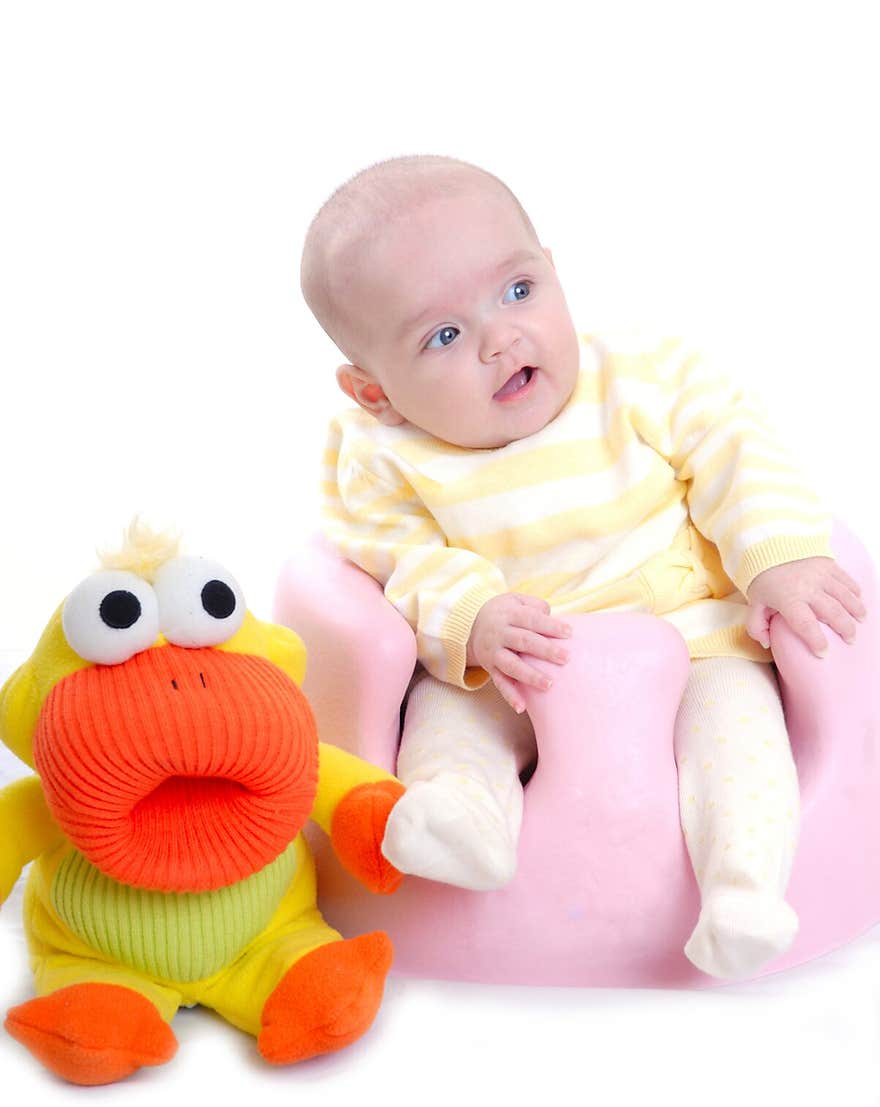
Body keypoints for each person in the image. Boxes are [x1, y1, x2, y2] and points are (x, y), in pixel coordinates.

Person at [300, 154, 866, 980]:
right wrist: (474, 621)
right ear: (373, 390)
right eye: (445, 336)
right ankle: (463, 827)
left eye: (519, 291)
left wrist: (776, 558)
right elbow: (395, 557)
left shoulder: (642, 377)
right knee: (448, 730)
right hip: (509, 665)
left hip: (691, 641)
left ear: (554, 274)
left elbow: (738, 454)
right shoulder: (383, 457)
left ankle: (743, 891)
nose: (502, 339)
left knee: (740, 744)